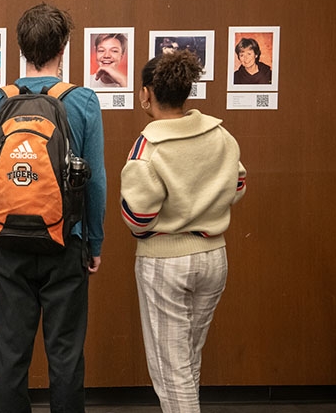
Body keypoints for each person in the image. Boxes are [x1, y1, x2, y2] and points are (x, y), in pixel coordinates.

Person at [0, 3, 106, 413]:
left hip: (9, 244)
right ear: (63, 48)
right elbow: (96, 180)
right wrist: (94, 242)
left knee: (11, 357)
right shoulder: (82, 101)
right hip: (65, 243)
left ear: (20, 47)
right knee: (65, 357)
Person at [121, 50, 246, 413]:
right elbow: (237, 184)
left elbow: (138, 217)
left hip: (165, 263)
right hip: (213, 258)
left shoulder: (150, 145)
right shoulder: (220, 134)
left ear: (146, 94)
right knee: (188, 358)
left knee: (170, 370)